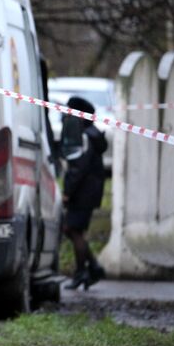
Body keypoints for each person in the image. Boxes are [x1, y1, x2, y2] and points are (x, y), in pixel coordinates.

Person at [60, 96, 107, 291]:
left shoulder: (86, 137)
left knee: (72, 229)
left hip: (83, 192)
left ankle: (82, 272)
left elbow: (78, 167)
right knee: (72, 229)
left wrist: (67, 191)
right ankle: (93, 268)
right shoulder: (90, 134)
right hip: (88, 191)